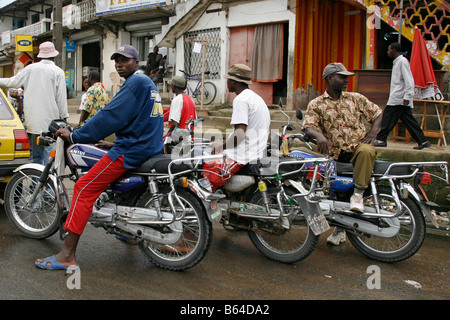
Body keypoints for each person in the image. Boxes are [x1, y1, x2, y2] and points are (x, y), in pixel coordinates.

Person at [35, 45, 164, 270]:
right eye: (117, 60)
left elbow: (110, 116)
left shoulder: (135, 83)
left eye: (125, 60)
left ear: (137, 62)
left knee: (83, 187)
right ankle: (128, 232)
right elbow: (140, 119)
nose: (119, 64)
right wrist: (114, 142)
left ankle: (67, 256)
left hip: (131, 150)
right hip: (146, 146)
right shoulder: (146, 83)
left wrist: (76, 135)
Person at [303, 62, 383, 215]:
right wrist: (319, 136)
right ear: (330, 78)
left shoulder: (355, 98)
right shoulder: (316, 104)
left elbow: (377, 113)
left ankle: (358, 194)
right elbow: (308, 126)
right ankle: (340, 230)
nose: (346, 80)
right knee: (335, 196)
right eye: (342, 77)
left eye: (347, 78)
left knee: (366, 150)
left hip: (357, 150)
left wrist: (373, 132)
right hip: (335, 154)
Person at [204, 64, 271, 191]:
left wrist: (221, 145)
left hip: (242, 155)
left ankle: (209, 207)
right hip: (255, 151)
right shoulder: (257, 99)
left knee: (206, 176)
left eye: (228, 80)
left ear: (234, 81)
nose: (227, 83)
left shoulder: (241, 100)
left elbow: (239, 135)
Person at [0, 41, 68, 165]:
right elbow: (61, 98)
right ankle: (49, 182)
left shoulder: (30, 69)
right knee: (49, 156)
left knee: (36, 156)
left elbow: (12, 82)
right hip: (51, 122)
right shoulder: (58, 72)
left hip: (32, 121)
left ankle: (36, 183)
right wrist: (63, 117)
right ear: (54, 55)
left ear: (40, 55)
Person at [373, 42, 431, 150]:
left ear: (394, 50)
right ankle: (423, 141)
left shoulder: (402, 61)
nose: (387, 52)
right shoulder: (397, 62)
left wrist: (407, 96)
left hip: (399, 97)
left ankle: (381, 139)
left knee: (387, 117)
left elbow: (409, 81)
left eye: (389, 49)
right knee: (408, 120)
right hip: (399, 97)